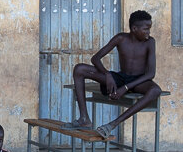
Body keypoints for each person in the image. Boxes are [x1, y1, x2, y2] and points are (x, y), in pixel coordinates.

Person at [62, 10, 162, 139]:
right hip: (121, 78)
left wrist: (125, 88)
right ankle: (84, 118)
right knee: (79, 69)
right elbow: (96, 58)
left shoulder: (150, 42)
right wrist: (107, 74)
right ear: (134, 28)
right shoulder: (121, 38)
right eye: (146, 29)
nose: (148, 33)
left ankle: (112, 125)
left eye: (149, 29)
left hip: (139, 81)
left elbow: (151, 74)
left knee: (155, 90)